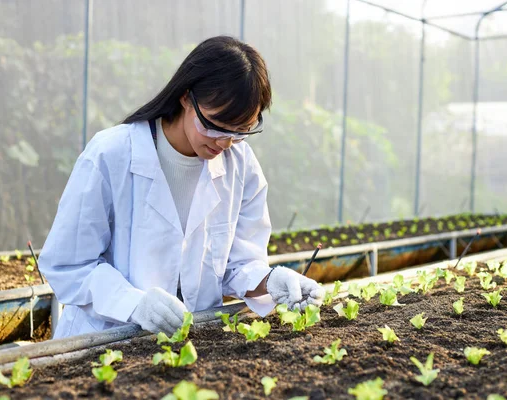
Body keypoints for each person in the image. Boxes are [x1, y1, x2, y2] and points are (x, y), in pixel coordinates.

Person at [38, 36, 324, 339]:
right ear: (186, 97)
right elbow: (69, 264)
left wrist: (270, 280)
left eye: (241, 131)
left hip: (194, 344)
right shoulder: (111, 154)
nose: (224, 142)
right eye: (214, 125)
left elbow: (236, 262)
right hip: (102, 340)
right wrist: (133, 304)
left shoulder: (240, 163)